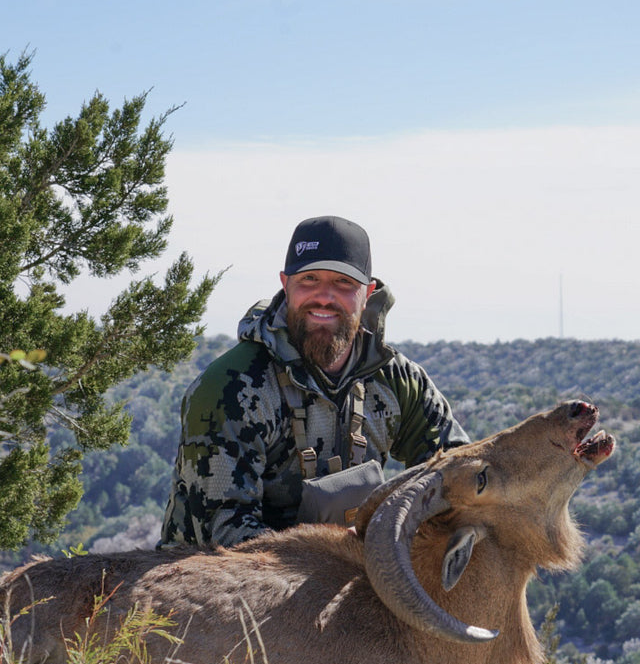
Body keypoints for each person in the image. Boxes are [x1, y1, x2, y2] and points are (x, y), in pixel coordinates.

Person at [160, 216, 468, 548]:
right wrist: (343, 555)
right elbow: (220, 532)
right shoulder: (232, 388)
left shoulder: (396, 380)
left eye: (344, 283)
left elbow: (461, 474)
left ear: (368, 293)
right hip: (210, 584)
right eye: (309, 279)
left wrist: (402, 528)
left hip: (339, 576)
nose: (324, 296)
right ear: (285, 284)